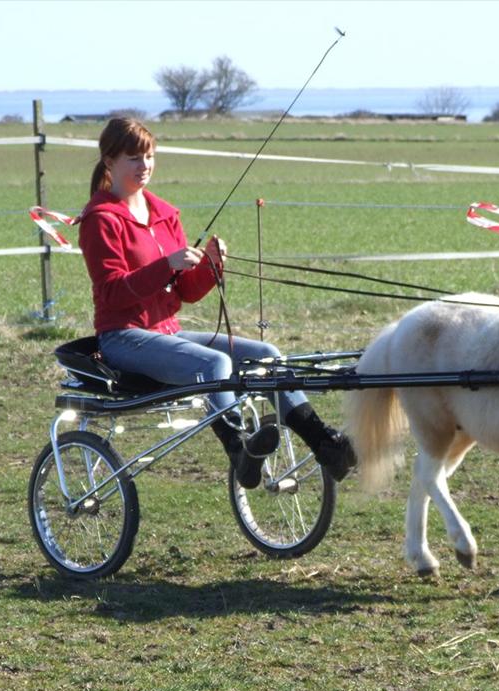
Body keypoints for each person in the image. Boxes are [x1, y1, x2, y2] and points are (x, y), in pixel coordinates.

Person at [76, 117, 354, 488]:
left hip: (168, 333)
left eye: (149, 156)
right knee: (215, 362)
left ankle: (324, 443)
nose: (144, 166)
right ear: (109, 162)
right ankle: (240, 450)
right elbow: (112, 291)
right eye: (134, 158)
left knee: (267, 353)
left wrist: (210, 266)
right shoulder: (100, 220)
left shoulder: (164, 215)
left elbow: (186, 292)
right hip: (122, 338)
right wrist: (166, 265)